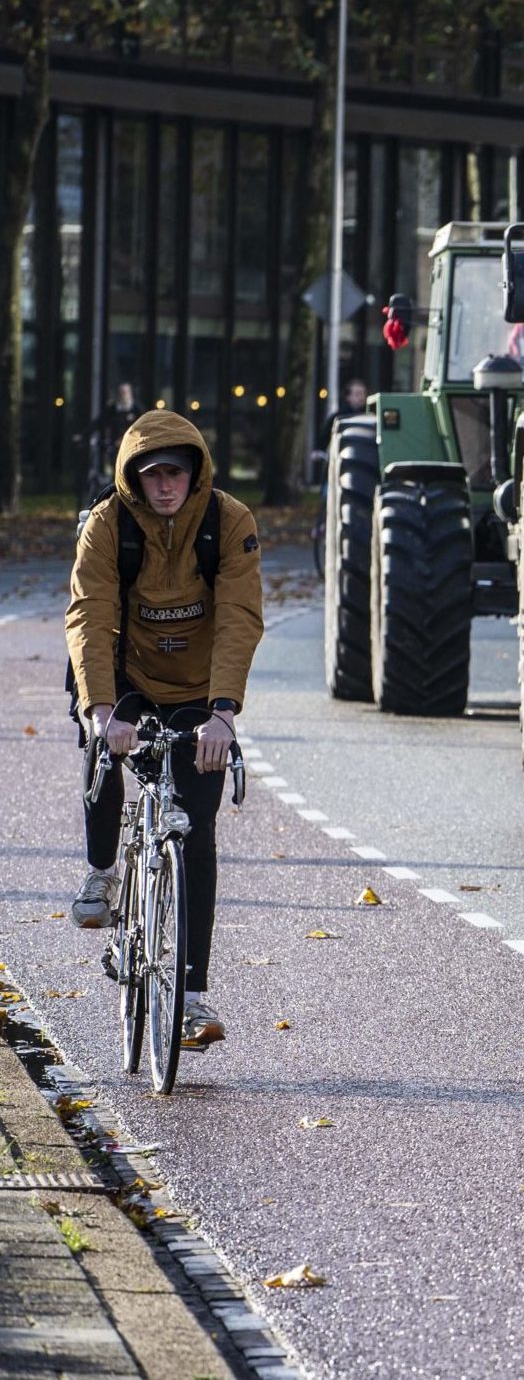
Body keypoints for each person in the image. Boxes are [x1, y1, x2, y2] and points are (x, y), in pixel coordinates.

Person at [64, 412, 264, 1050]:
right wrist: (101, 710)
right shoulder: (107, 525)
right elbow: (89, 615)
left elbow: (238, 615)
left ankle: (191, 997)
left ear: (195, 471)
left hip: (199, 689)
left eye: (176, 472)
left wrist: (224, 714)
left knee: (196, 830)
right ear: (134, 479)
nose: (166, 485)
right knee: (101, 752)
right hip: (122, 672)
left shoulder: (229, 522)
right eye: (153, 475)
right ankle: (101, 870)